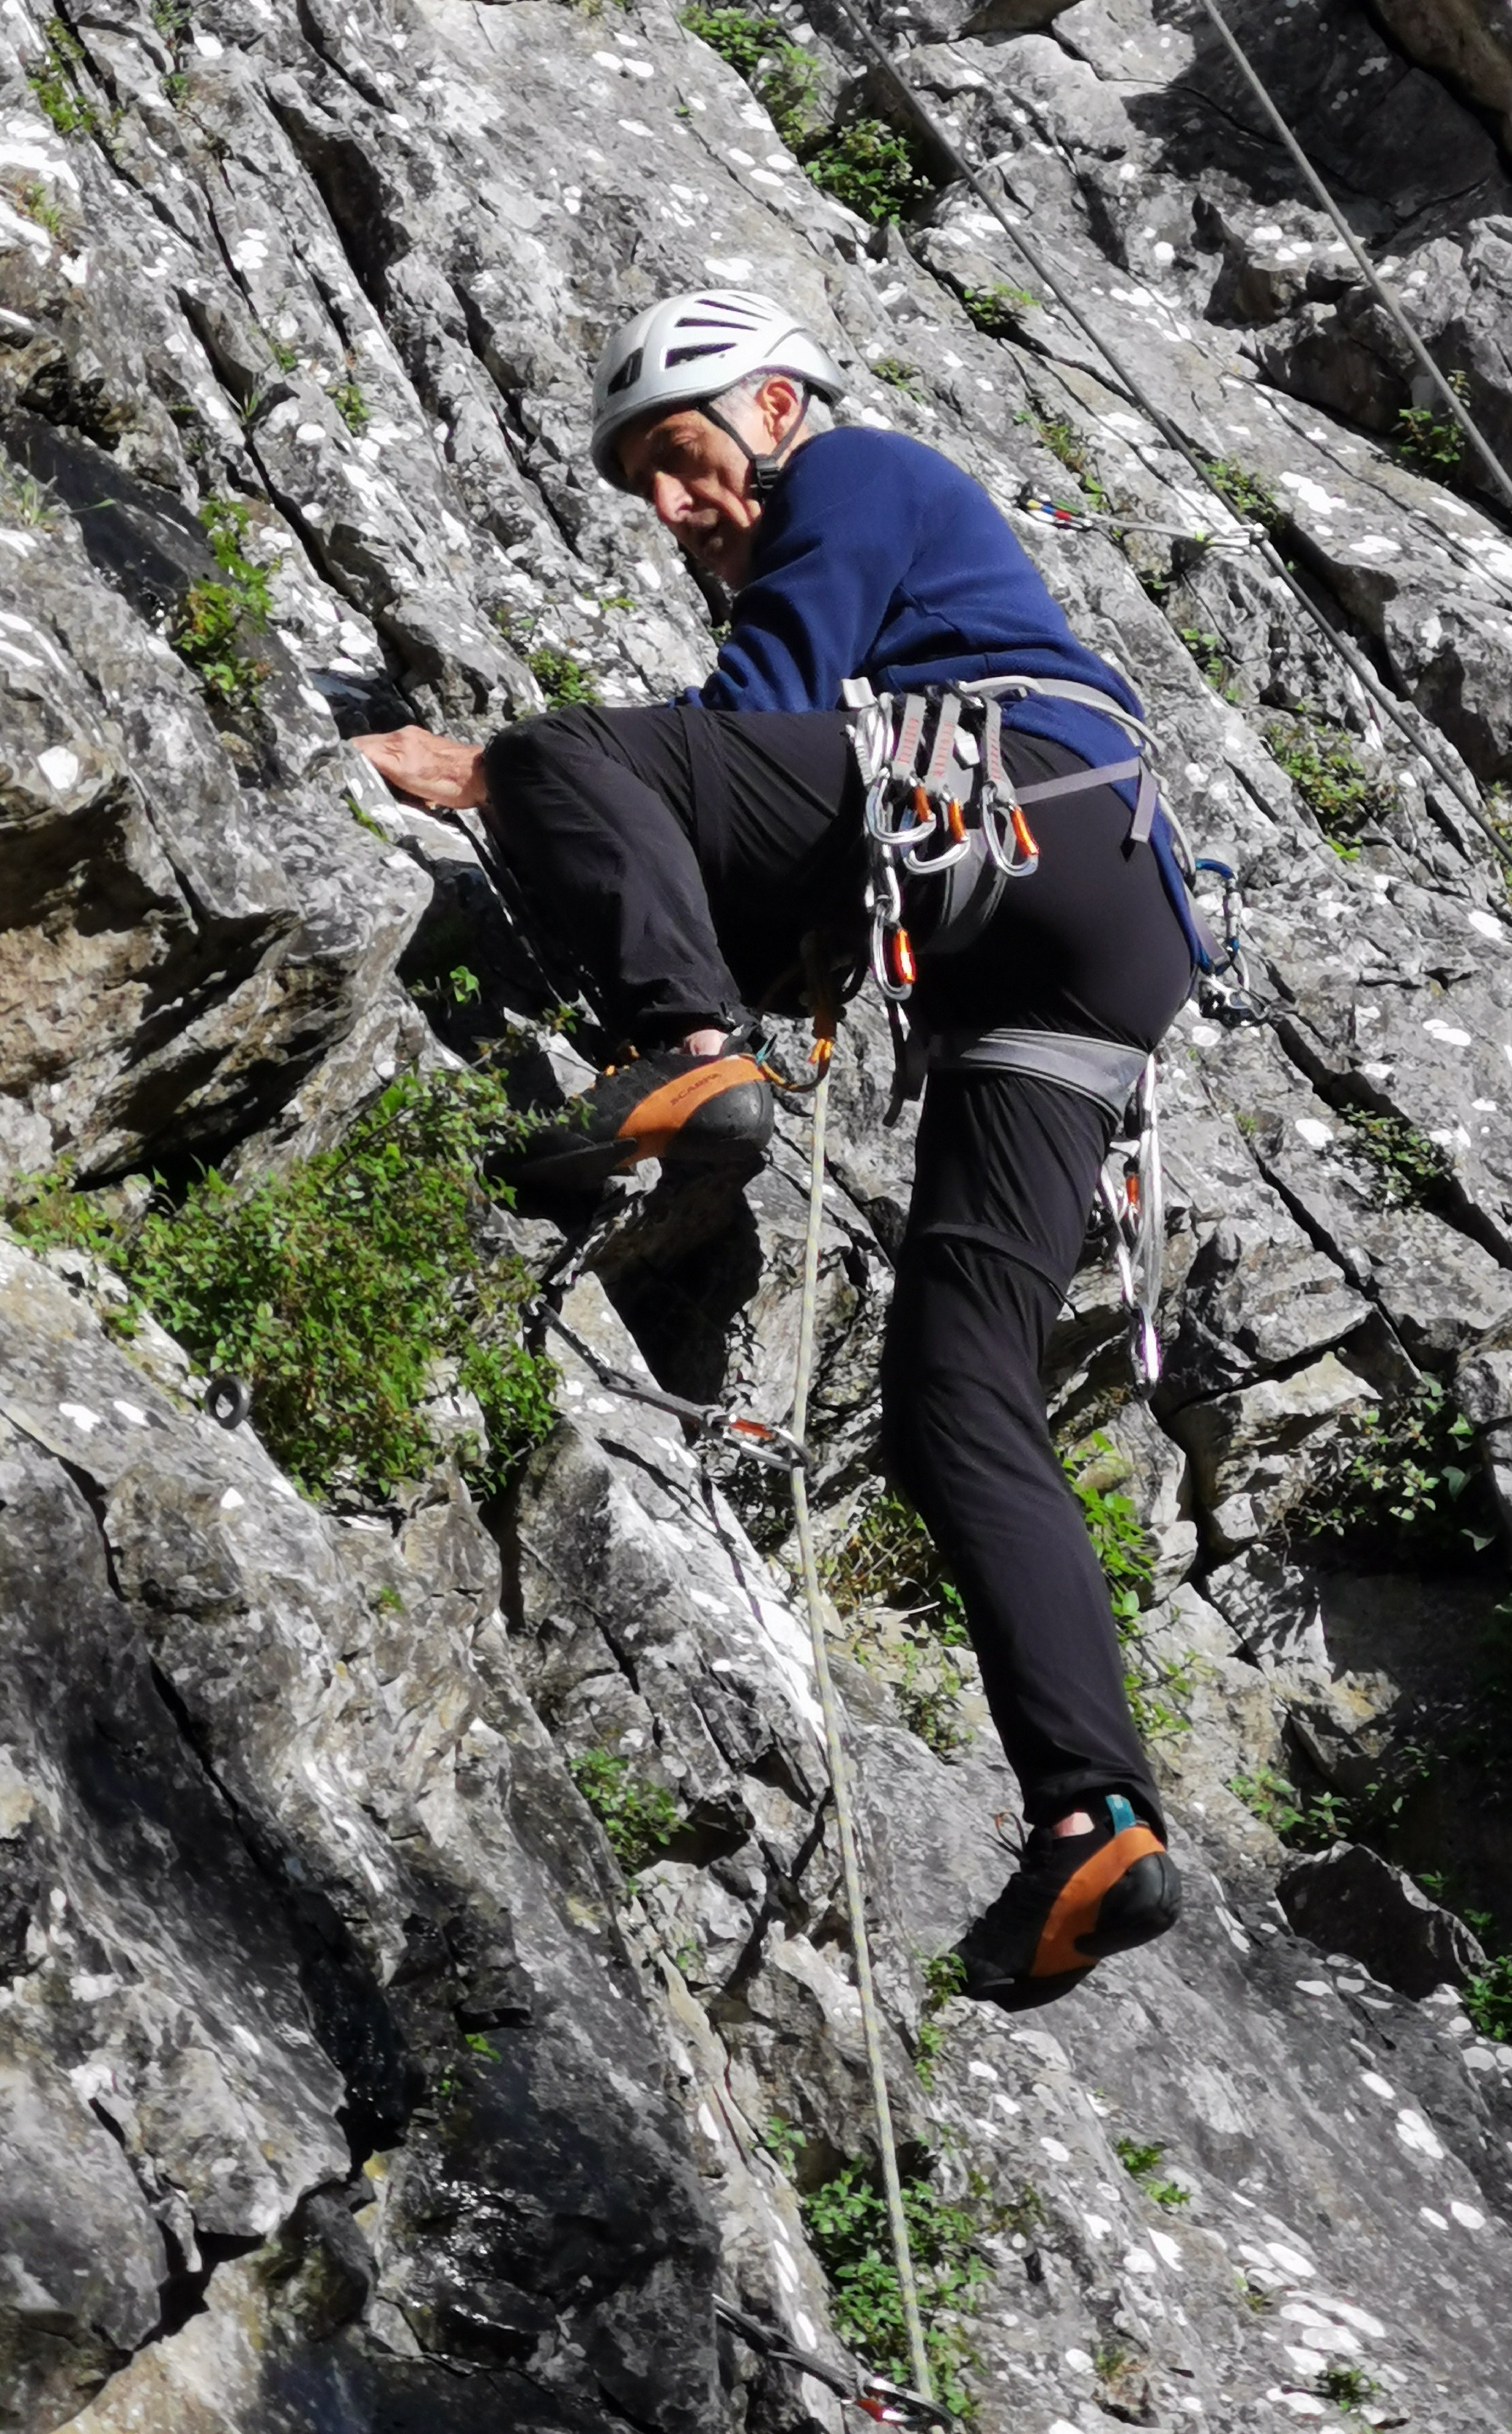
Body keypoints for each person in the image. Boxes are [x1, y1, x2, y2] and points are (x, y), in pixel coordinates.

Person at [354, 288, 1204, 2010]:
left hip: (1012, 811)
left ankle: (679, 1058)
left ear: (773, 405)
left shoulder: (860, 469)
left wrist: (503, 783)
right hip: (1082, 949)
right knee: (955, 1396)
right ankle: (1093, 1816)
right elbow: (779, 814)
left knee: (566, 749)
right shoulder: (852, 512)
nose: (677, 510)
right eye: (648, 490)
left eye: (683, 460)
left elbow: (755, 717)